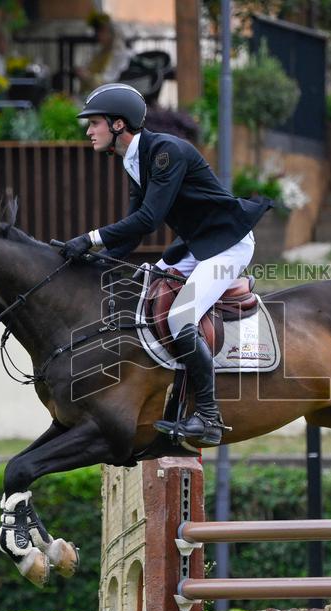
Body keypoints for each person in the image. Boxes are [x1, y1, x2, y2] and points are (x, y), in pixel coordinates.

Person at [61, 83, 271, 446]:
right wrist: (90, 262)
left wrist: (91, 238)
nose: (87, 130)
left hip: (228, 246)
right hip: (197, 245)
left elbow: (148, 218)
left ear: (117, 125)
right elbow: (131, 235)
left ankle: (208, 417)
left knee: (180, 317)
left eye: (93, 122)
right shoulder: (134, 159)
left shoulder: (164, 153)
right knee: (144, 289)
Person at [75, 12, 131, 93]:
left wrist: (88, 77)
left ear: (111, 33)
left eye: (102, 31)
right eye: (98, 32)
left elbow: (109, 83)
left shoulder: (119, 54)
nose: (98, 35)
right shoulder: (100, 51)